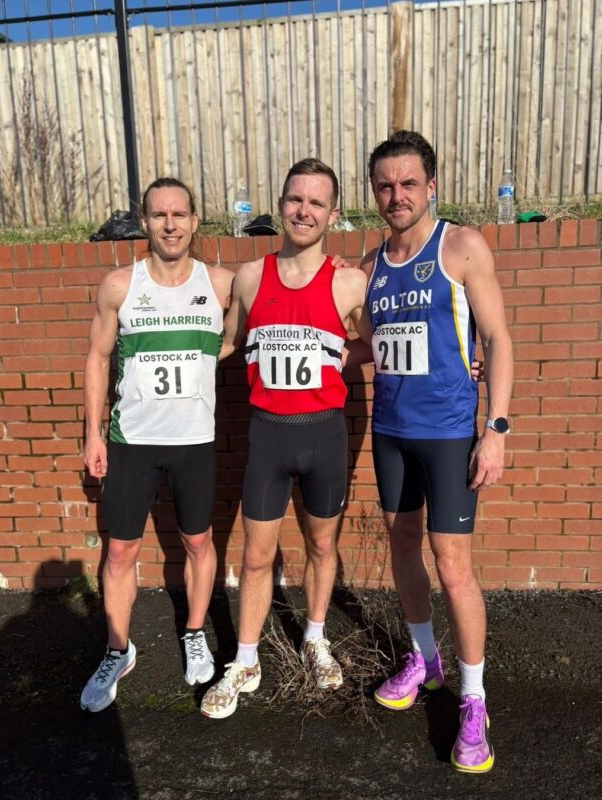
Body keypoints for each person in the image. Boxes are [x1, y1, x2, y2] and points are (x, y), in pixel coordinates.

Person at [355, 131, 513, 773]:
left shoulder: (462, 246)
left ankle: (473, 701)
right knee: (402, 545)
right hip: (390, 431)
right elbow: (368, 344)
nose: (397, 195)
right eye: (386, 186)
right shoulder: (369, 265)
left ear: (432, 186)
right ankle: (425, 658)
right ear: (375, 193)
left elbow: (497, 339)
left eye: (408, 183)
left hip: (448, 433)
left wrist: (495, 429)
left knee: (453, 566)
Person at [200, 159, 368, 719]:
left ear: (333, 215)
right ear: (280, 205)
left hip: (324, 436)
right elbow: (228, 342)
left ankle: (315, 637)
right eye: (295, 199)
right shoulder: (250, 277)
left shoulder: (349, 282)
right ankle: (245, 659)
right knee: (256, 555)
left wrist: (337, 357)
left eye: (316, 202)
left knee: (321, 546)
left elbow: (377, 341)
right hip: (268, 436)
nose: (304, 211)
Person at [80, 177, 234, 712]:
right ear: (144, 222)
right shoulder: (120, 285)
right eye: (159, 215)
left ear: (195, 221)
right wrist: (93, 433)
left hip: (194, 442)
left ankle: (194, 632)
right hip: (133, 442)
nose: (170, 224)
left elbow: (276, 299)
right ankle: (117, 650)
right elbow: (98, 358)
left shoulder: (221, 284)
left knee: (198, 543)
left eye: (180, 214)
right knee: (121, 550)